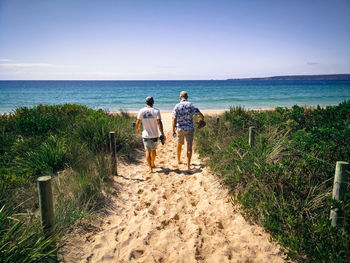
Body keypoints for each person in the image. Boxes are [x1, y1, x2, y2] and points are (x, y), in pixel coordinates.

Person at [172, 91, 204, 170]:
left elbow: (174, 118)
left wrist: (173, 130)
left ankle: (179, 160)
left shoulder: (177, 106)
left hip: (180, 129)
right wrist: (201, 120)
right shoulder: (191, 105)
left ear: (180, 97)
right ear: (187, 97)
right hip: (189, 128)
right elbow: (201, 115)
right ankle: (188, 166)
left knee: (179, 144)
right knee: (189, 147)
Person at [136, 96, 165, 173]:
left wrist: (138, 128)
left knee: (147, 151)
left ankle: (150, 168)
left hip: (145, 135)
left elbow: (138, 121)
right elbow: (159, 123)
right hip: (154, 135)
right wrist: (162, 133)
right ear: (153, 102)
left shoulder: (141, 111)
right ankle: (152, 163)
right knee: (153, 151)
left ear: (146, 102)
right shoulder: (156, 111)